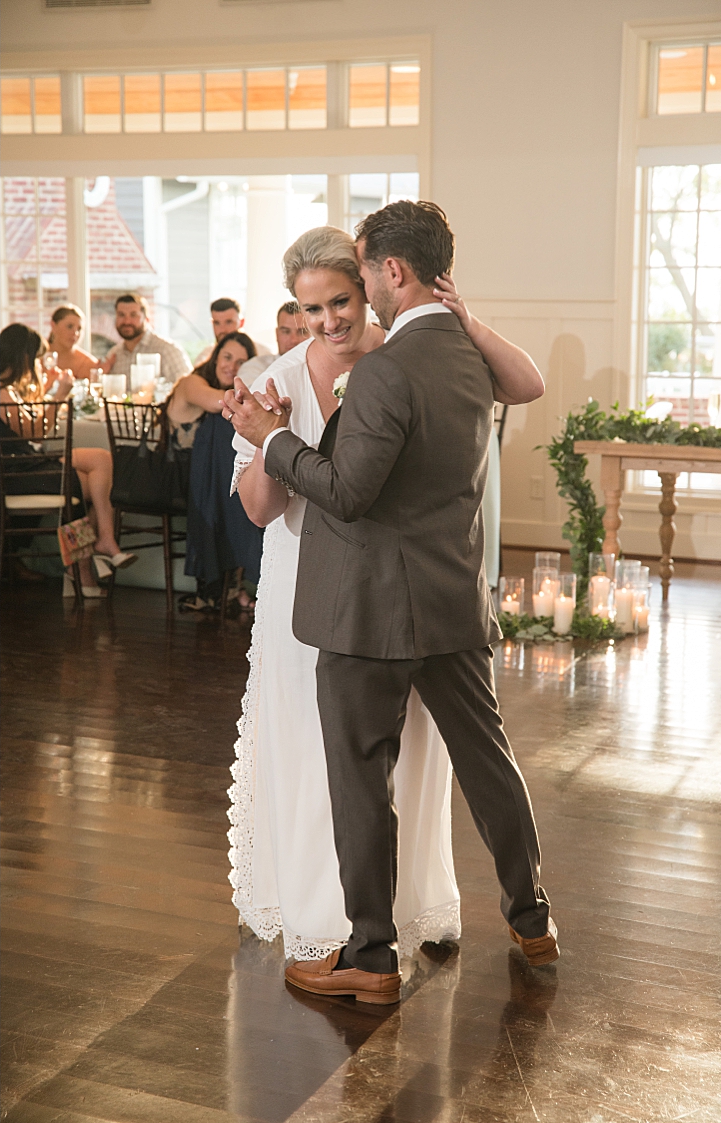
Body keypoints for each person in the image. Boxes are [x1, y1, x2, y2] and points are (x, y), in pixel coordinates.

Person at [226, 204, 554, 1007]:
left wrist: (272, 440)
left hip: (366, 609)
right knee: (490, 762)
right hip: (449, 599)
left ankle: (371, 958)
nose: (348, 304)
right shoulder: (464, 360)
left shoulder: (383, 369)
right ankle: (533, 915)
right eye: (317, 304)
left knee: (360, 779)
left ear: (388, 274)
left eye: (359, 279)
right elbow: (527, 384)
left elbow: (347, 492)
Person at [1, 322, 134, 597]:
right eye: (37, 359)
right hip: (17, 473)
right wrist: (60, 395)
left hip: (26, 465)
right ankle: (90, 559)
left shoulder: (8, 390)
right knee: (89, 476)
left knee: (95, 470)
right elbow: (35, 432)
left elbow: (32, 431)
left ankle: (88, 560)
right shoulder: (2, 391)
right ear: (26, 357)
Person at [166, 331, 262, 613]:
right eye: (227, 357)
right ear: (215, 356)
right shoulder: (192, 382)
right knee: (221, 426)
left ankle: (230, 584)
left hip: (212, 480)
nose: (231, 366)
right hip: (175, 480)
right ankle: (233, 582)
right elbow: (220, 403)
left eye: (241, 363)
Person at [98, 292, 190, 387]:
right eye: (121, 315)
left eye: (133, 315)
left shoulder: (167, 350)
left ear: (146, 318)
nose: (127, 321)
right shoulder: (114, 354)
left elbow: (188, 388)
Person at [241, 300, 309, 384]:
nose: (293, 340)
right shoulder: (254, 367)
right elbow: (249, 395)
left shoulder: (323, 371)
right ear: (277, 334)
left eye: (302, 332)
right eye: (286, 332)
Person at [45, 302, 99, 383]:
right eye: (70, 326)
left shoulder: (89, 364)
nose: (75, 333)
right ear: (53, 325)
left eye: (79, 329)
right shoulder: (36, 356)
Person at [194, 296, 248, 364]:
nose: (222, 330)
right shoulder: (204, 358)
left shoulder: (261, 356)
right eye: (217, 323)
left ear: (241, 323)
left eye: (229, 322)